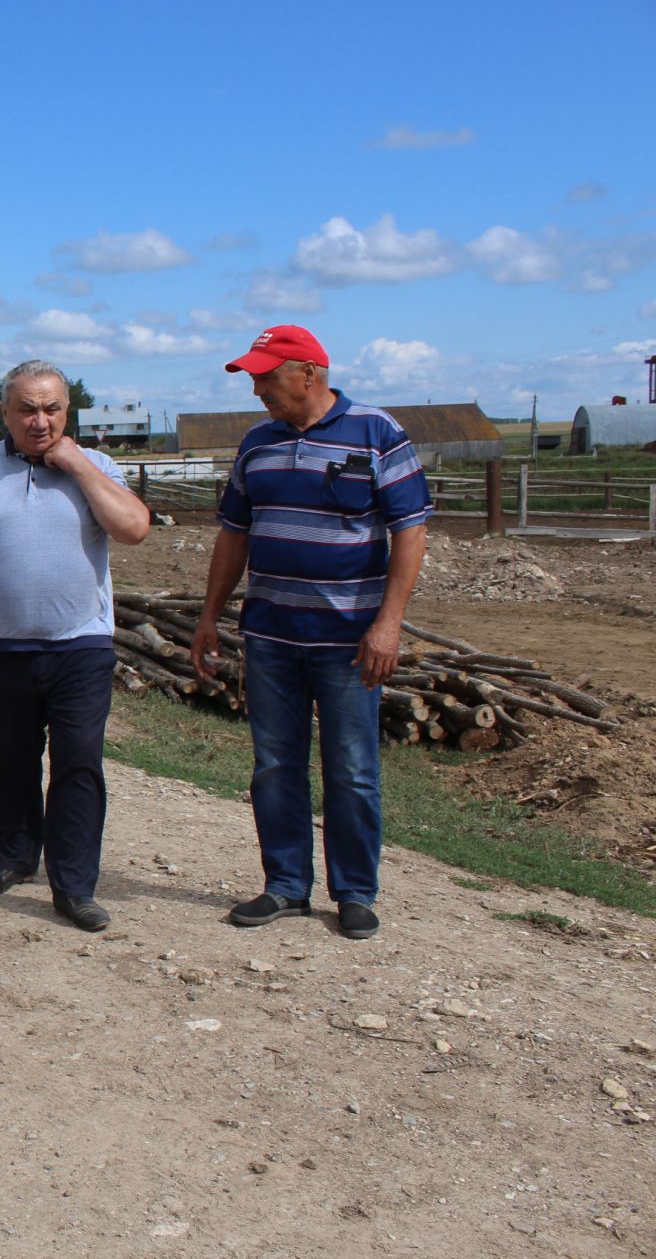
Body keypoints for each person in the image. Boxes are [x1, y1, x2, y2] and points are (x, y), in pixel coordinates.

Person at [190, 325, 430, 940]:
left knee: (351, 767)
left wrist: (389, 624)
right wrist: (210, 616)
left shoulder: (378, 433)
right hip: (271, 635)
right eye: (253, 377)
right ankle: (286, 886)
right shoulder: (257, 443)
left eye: (266, 376)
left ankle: (354, 891)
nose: (257, 389)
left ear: (308, 374)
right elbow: (233, 534)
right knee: (275, 764)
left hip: (349, 642)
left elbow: (409, 531)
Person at [0, 360, 150, 931]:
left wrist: (76, 465)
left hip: (81, 648)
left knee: (78, 765)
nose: (39, 421)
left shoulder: (95, 465)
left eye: (51, 409)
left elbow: (134, 527)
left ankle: (73, 887)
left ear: (67, 412)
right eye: (27, 409)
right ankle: (16, 858)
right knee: (11, 760)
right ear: (5, 413)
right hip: (3, 650)